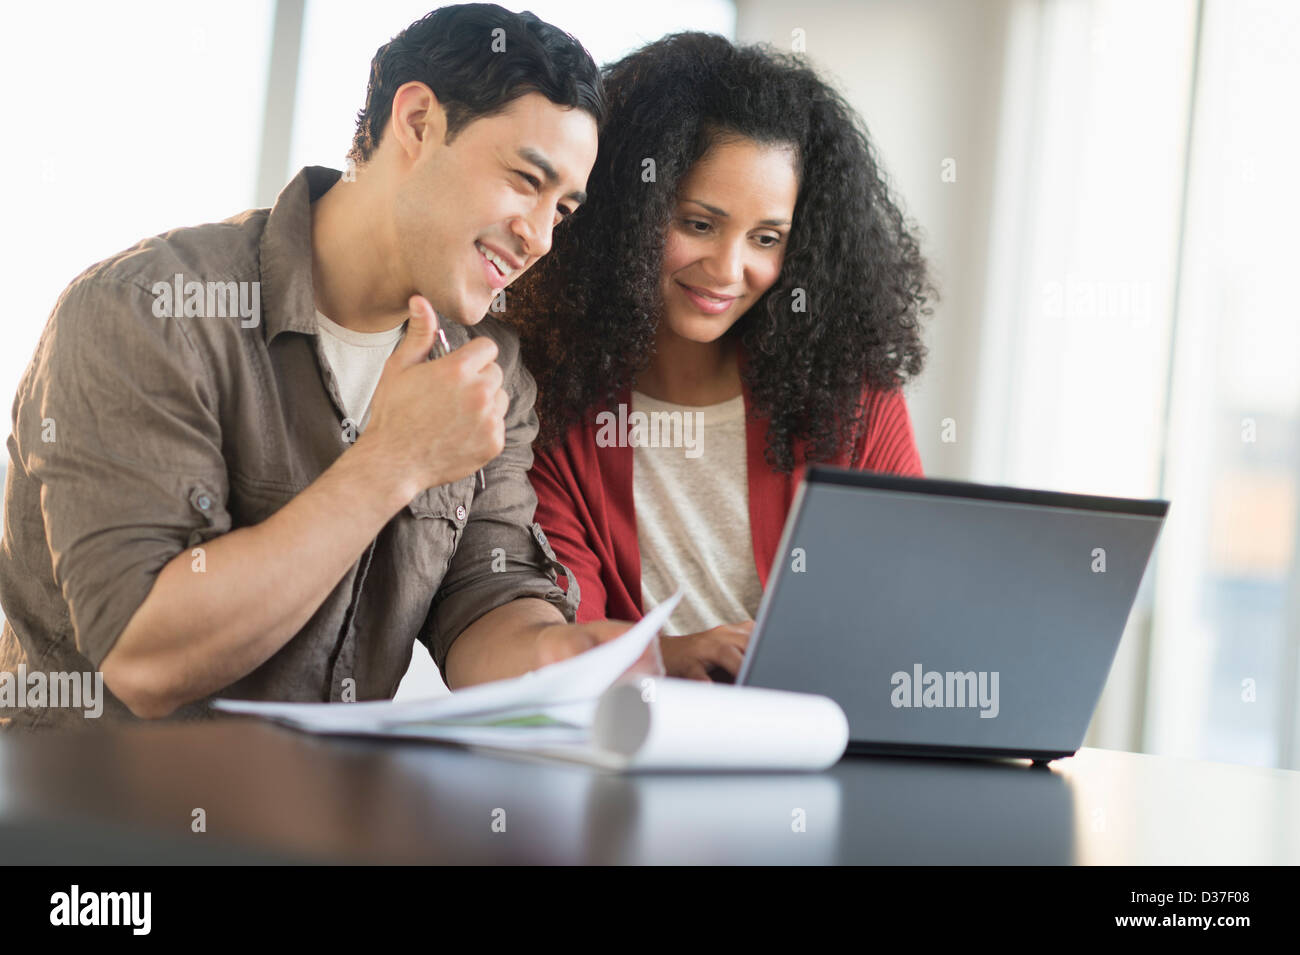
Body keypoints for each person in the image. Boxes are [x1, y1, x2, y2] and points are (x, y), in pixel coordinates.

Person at [0, 4, 637, 729]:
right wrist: (390, 463)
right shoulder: (147, 311)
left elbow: (485, 603)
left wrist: (568, 654)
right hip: (91, 819)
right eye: (527, 180)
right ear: (419, 120)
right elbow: (146, 661)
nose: (541, 238)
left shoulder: (488, 366)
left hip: (317, 821)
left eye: (563, 209)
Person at [511, 33, 935, 682]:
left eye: (767, 238)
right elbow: (561, 645)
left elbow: (904, 615)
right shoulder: (550, 402)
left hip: (818, 754)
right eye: (699, 224)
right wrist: (671, 657)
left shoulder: (851, 398)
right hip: (628, 754)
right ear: (630, 212)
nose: (729, 270)